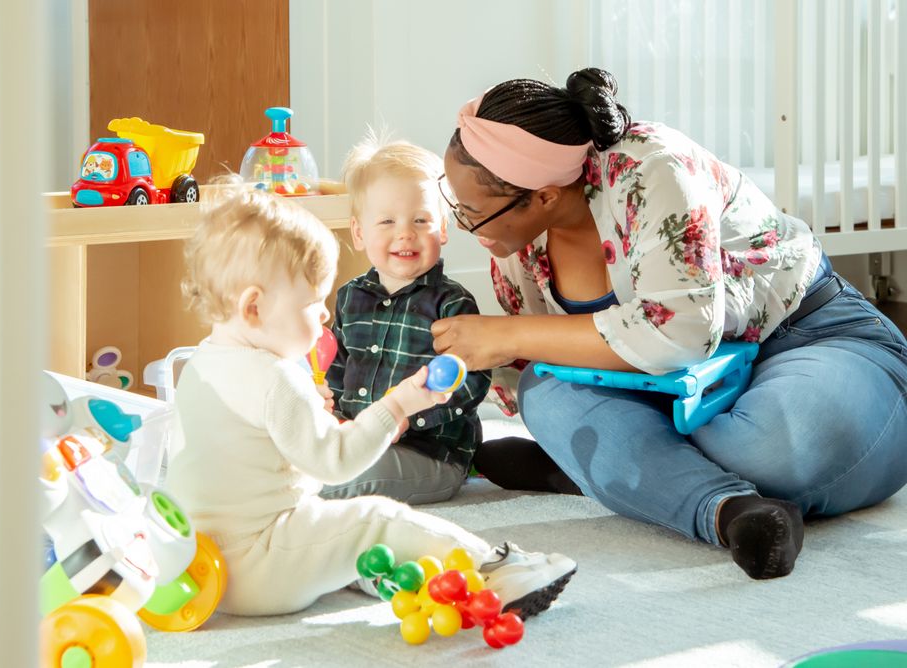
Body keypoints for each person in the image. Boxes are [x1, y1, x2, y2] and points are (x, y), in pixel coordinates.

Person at [432, 67, 907, 580]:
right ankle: (726, 511)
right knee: (544, 395)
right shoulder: (514, 240)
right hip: (678, 385)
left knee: (764, 448)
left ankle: (624, 471)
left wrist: (505, 335)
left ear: (542, 195)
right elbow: (535, 358)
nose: (464, 222)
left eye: (471, 213)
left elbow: (681, 332)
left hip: (806, 336)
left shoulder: (654, 168)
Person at [167, 186, 576, 616]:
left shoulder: (200, 363)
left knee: (331, 523)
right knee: (376, 519)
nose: (325, 315)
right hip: (259, 566)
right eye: (311, 303)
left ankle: (376, 571)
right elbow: (335, 463)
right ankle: (496, 570)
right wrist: (397, 405)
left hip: (205, 570)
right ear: (254, 307)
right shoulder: (274, 377)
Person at [320, 135, 491, 504]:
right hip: (357, 440)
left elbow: (471, 382)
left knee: (354, 478)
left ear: (442, 229)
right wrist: (330, 411)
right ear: (359, 233)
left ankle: (300, 493)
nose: (404, 233)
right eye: (386, 221)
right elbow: (337, 366)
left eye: (420, 220)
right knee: (294, 454)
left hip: (428, 453)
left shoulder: (452, 303)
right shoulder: (351, 297)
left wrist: (407, 417)